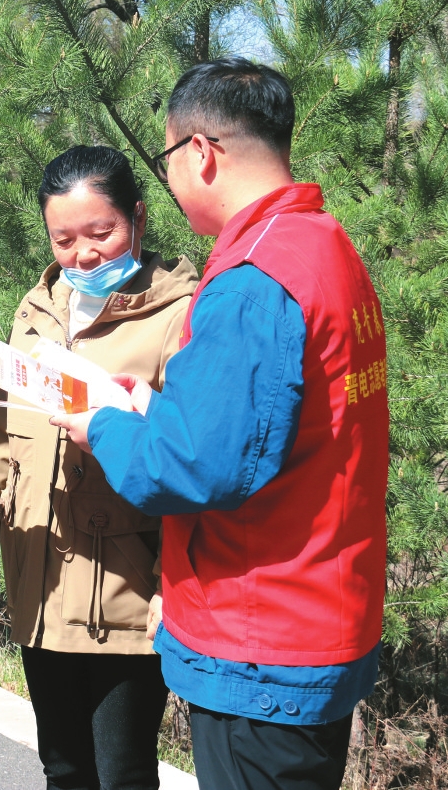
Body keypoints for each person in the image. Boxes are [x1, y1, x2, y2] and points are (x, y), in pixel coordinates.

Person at [51, 58, 389, 790]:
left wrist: (103, 426)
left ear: (200, 153)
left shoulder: (250, 282)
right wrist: (158, 410)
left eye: (167, 159)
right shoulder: (324, 245)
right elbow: (273, 426)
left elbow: (193, 466)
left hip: (262, 634)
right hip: (323, 606)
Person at [0, 145, 198, 790]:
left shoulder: (178, 315)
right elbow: (1, 435)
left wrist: (172, 583)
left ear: (138, 219)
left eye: (101, 233)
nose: (83, 256)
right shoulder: (37, 311)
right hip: (39, 579)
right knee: (62, 767)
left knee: (122, 774)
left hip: (126, 588)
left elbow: (191, 456)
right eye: (63, 240)